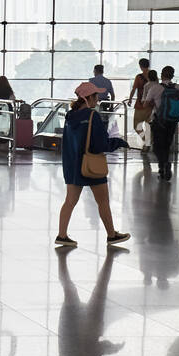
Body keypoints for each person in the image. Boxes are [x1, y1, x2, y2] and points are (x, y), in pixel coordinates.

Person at [56, 82, 130, 247]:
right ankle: (112, 235)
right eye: (95, 96)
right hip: (91, 165)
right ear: (87, 98)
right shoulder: (92, 116)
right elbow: (100, 145)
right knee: (103, 201)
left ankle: (62, 235)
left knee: (70, 201)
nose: (98, 99)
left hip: (73, 165)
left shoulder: (70, 116)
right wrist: (118, 142)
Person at [146, 65, 179, 181]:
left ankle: (163, 166)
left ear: (161, 75)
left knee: (157, 146)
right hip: (172, 121)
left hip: (159, 121)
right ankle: (164, 166)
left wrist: (153, 104)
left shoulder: (155, 88)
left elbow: (145, 105)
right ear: (172, 76)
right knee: (167, 144)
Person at [129, 62, 156, 151]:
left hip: (140, 105)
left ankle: (147, 141)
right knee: (148, 125)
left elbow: (134, 89)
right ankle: (148, 142)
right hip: (151, 105)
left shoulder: (139, 77)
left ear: (141, 66)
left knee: (137, 126)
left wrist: (130, 99)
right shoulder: (154, 76)